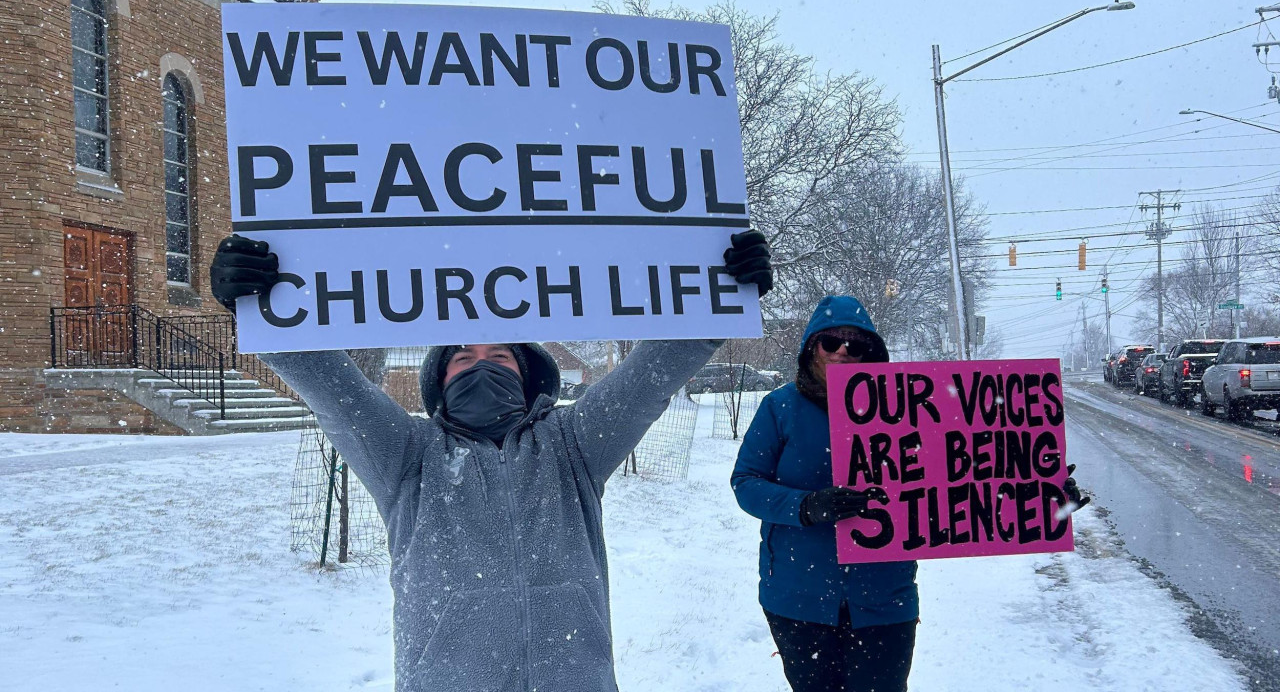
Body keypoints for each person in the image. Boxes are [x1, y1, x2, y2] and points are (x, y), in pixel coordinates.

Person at [208, 230, 772, 692]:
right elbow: (335, 391)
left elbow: (649, 378)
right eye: (463, 358)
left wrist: (719, 295)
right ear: (439, 380)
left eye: (499, 355)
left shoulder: (573, 444)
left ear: (527, 378)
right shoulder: (407, 456)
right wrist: (259, 308)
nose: (481, 365)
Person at [730, 295, 1089, 692]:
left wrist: (1038, 493)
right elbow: (746, 482)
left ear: (871, 354)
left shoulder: (910, 410)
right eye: (831, 342)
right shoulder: (780, 407)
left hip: (884, 597)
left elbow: (964, 475)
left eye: (855, 345)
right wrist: (806, 506)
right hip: (798, 596)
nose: (843, 352)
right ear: (812, 348)